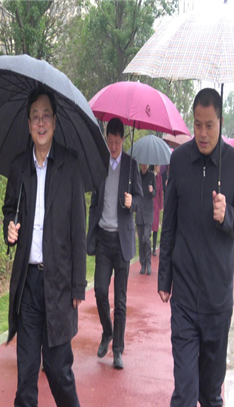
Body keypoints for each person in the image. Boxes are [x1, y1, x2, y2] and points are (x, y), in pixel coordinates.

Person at [158, 88, 234, 407]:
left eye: (209, 125)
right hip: (184, 299)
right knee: (184, 390)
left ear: (220, 123)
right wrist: (164, 276)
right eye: (197, 124)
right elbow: (169, 224)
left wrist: (227, 215)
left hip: (217, 303)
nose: (202, 132)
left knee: (211, 393)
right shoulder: (180, 161)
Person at [2, 84, 85, 407]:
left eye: (45, 116)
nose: (40, 123)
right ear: (28, 123)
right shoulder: (19, 166)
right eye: (34, 117)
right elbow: (9, 209)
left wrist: (78, 287)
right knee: (25, 380)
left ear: (54, 121)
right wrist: (9, 228)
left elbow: (78, 230)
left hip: (59, 286)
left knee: (57, 370)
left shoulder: (70, 166)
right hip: (28, 288)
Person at [87, 118, 143, 369]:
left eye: (117, 142)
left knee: (120, 300)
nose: (112, 147)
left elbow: (140, 199)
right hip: (103, 238)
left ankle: (118, 349)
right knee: (100, 290)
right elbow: (94, 202)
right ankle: (107, 331)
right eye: (109, 142)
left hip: (122, 242)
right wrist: (91, 230)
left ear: (122, 140)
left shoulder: (131, 166)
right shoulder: (100, 161)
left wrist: (133, 202)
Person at [136, 163, 157, 275]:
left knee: (146, 238)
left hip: (148, 213)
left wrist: (152, 190)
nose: (144, 166)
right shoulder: (136, 175)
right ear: (140, 164)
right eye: (143, 164)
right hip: (139, 212)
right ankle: (142, 264)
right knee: (140, 240)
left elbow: (155, 193)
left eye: (146, 164)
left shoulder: (151, 176)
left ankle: (148, 263)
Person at [152, 165, 164, 256]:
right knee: (148, 226)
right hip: (149, 204)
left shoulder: (160, 178)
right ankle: (147, 247)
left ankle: (153, 248)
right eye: (158, 165)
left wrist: (161, 205)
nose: (159, 167)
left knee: (155, 227)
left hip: (156, 205)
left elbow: (160, 192)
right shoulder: (150, 175)